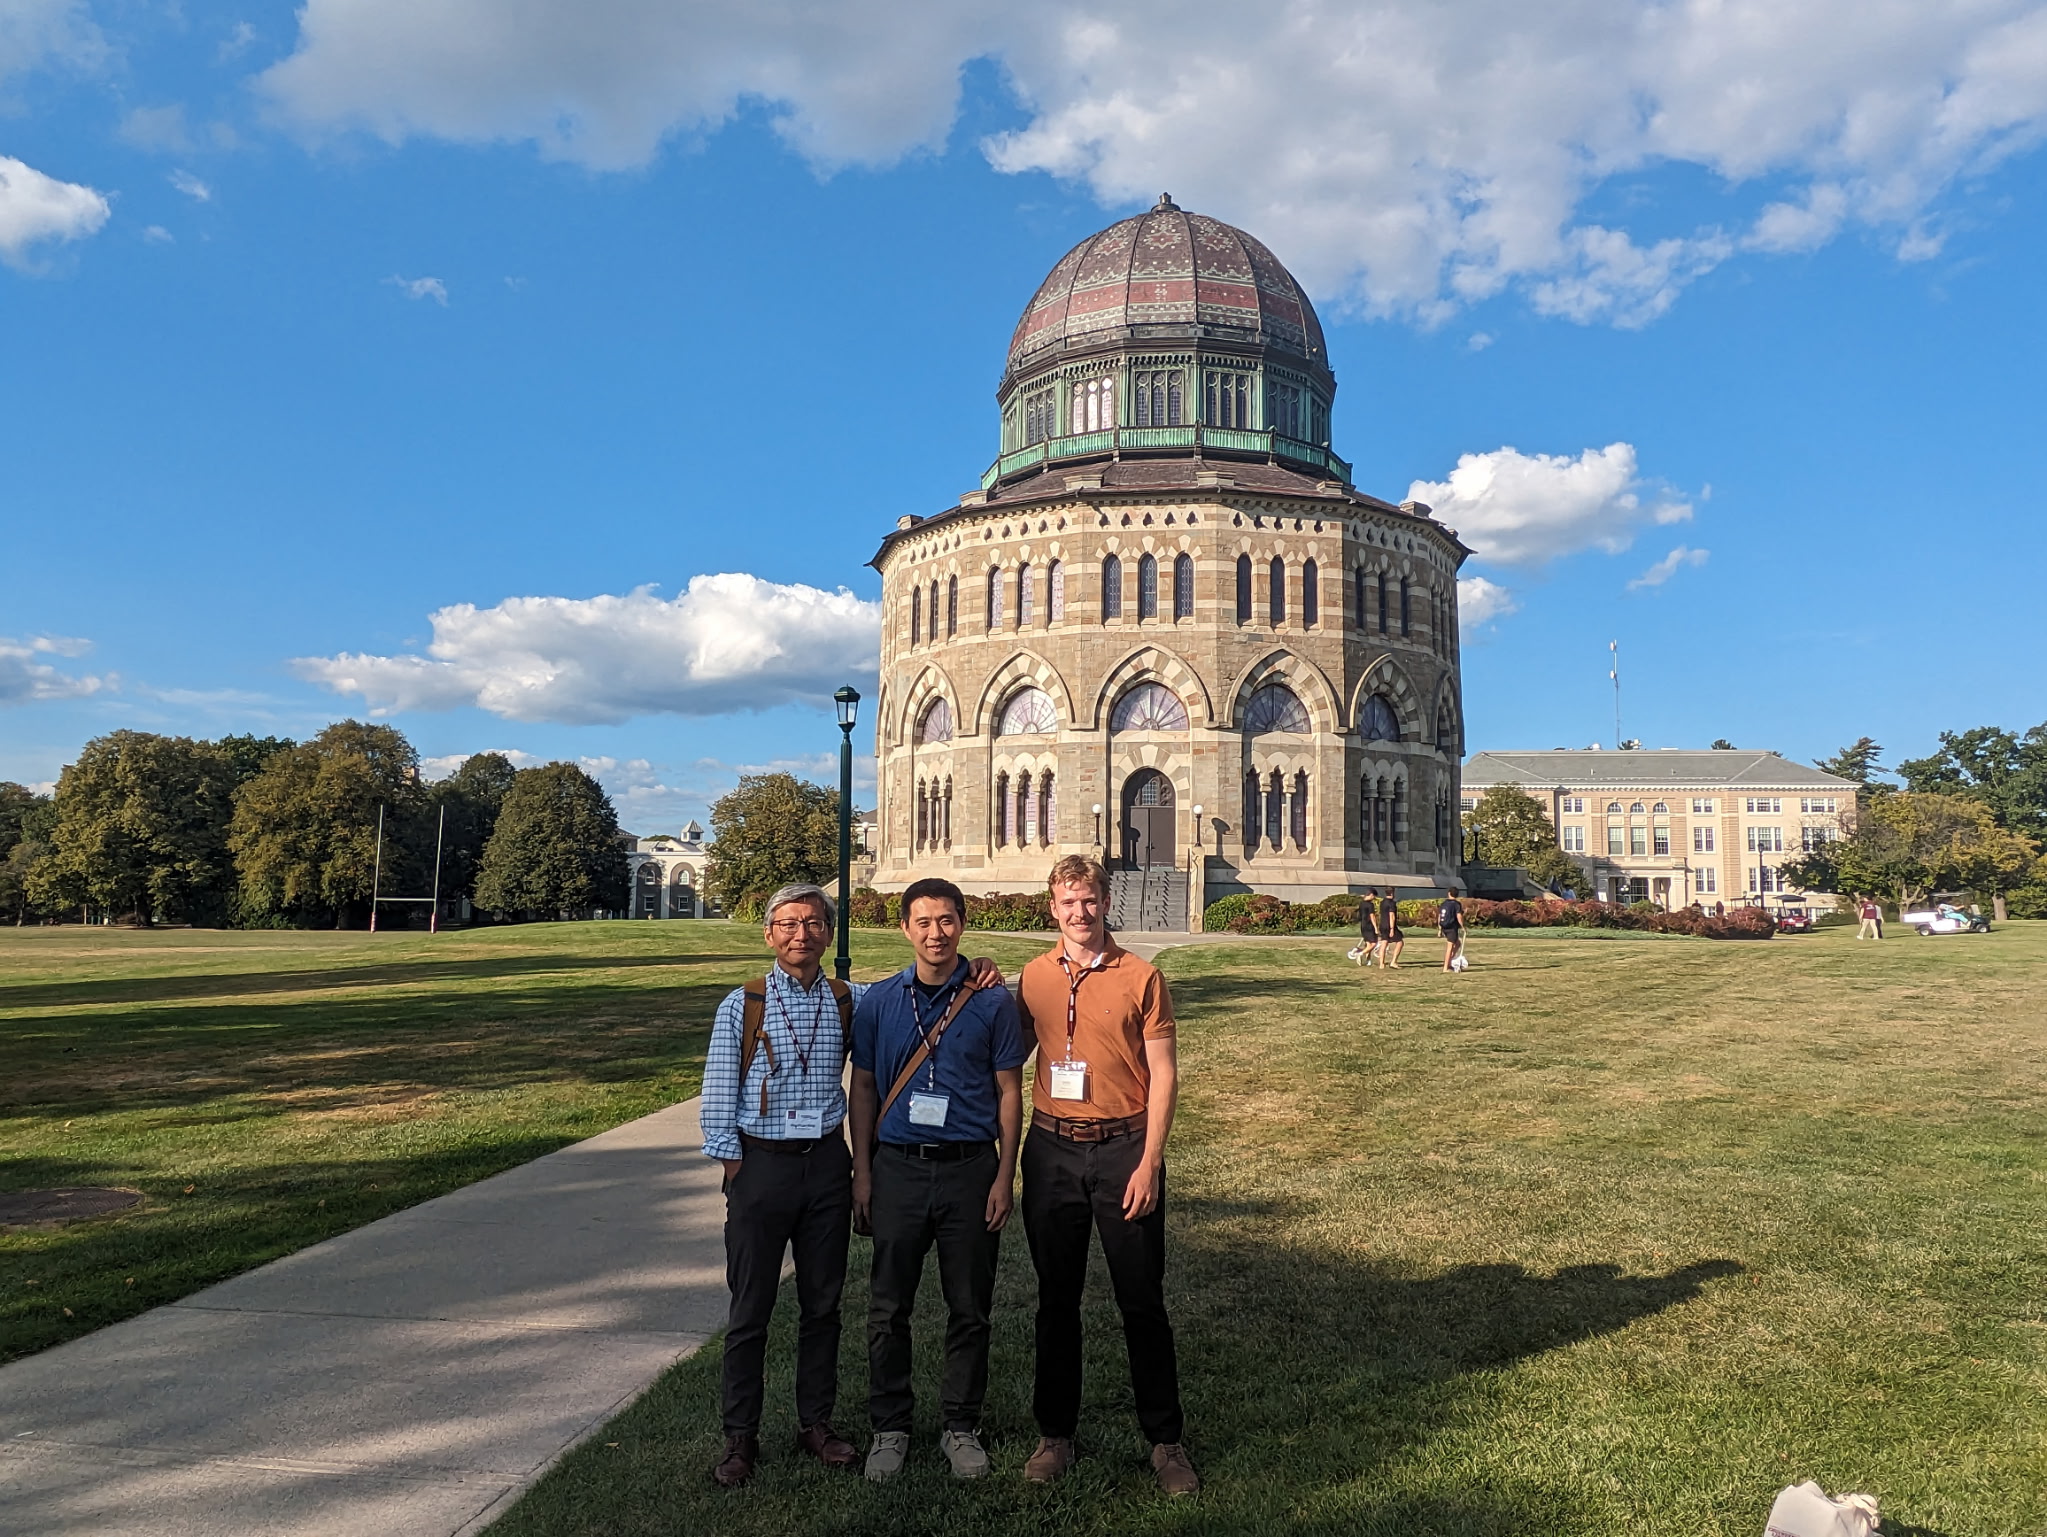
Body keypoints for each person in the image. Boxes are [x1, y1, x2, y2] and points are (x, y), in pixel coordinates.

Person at [700, 884, 1004, 1488]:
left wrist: (981, 970)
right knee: (750, 1309)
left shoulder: (850, 1000)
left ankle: (815, 1423)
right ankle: (740, 1437)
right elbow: (716, 1098)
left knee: (823, 1307)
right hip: (762, 1167)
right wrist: (737, 1171)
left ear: (827, 934)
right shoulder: (744, 1004)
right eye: (787, 924)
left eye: (813, 924)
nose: (800, 935)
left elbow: (923, 985)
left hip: (826, 1170)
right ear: (769, 934)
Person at [1016, 855, 1198, 1496]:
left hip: (1123, 1148)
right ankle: (1055, 1436)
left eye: (1089, 900)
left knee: (1141, 1299)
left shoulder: (1142, 977)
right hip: (1051, 1150)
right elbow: (1007, 1059)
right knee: (1055, 1300)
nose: (1079, 912)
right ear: (1052, 907)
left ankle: (1165, 1441)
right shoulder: (1032, 977)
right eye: (1068, 902)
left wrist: (1150, 1162)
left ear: (1105, 902)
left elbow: (1165, 1074)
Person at [849, 878, 1028, 1483]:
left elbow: (1009, 1090)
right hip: (898, 1166)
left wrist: (1005, 1172)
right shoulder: (878, 1002)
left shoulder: (992, 1001)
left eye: (947, 921)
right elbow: (865, 1088)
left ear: (962, 924)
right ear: (905, 928)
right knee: (887, 1306)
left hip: (969, 1169)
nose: (936, 933)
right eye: (923, 922)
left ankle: (960, 1425)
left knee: (969, 1307)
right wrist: (864, 1173)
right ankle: (890, 1428)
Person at [1438, 887, 1465, 971]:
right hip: (1451, 927)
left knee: (1457, 944)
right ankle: (1445, 967)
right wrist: (1463, 926)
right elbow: (1458, 916)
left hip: (1444, 926)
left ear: (1449, 893)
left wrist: (1439, 929)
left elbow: (1440, 916)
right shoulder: (1456, 904)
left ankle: (1449, 962)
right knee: (1450, 947)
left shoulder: (1444, 903)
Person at [1379, 887, 1405, 968]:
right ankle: (1393, 962)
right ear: (1392, 893)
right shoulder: (1391, 903)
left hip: (1382, 925)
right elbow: (1392, 916)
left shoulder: (1382, 902)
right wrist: (1392, 929)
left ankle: (1381, 964)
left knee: (1384, 943)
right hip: (1389, 925)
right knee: (1400, 942)